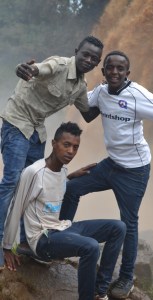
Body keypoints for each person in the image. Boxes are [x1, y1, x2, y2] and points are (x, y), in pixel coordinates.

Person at [60, 50, 153, 299]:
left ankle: (126, 279)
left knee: (129, 223)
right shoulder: (101, 92)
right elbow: (80, 100)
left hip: (134, 171)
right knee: (72, 188)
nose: (114, 72)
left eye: (120, 69)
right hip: (111, 165)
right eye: (110, 68)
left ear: (127, 73)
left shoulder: (137, 95)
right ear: (103, 72)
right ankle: (61, 239)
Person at [0, 35, 104, 269]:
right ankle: (1, 245)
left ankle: (27, 243)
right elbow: (34, 69)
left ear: (97, 64)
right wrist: (24, 68)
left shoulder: (80, 87)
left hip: (37, 129)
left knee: (38, 183)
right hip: (17, 122)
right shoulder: (58, 64)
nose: (88, 60)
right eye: (85, 54)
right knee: (12, 182)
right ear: (76, 51)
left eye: (94, 59)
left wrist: (110, 95)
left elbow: (87, 114)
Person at [3, 122, 126, 300]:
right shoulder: (33, 172)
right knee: (90, 246)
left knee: (118, 227)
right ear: (54, 144)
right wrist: (7, 247)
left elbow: (51, 188)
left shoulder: (62, 171)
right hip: (43, 240)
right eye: (66, 145)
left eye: (75, 147)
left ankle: (100, 292)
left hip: (62, 228)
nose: (71, 151)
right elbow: (16, 208)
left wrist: (68, 177)